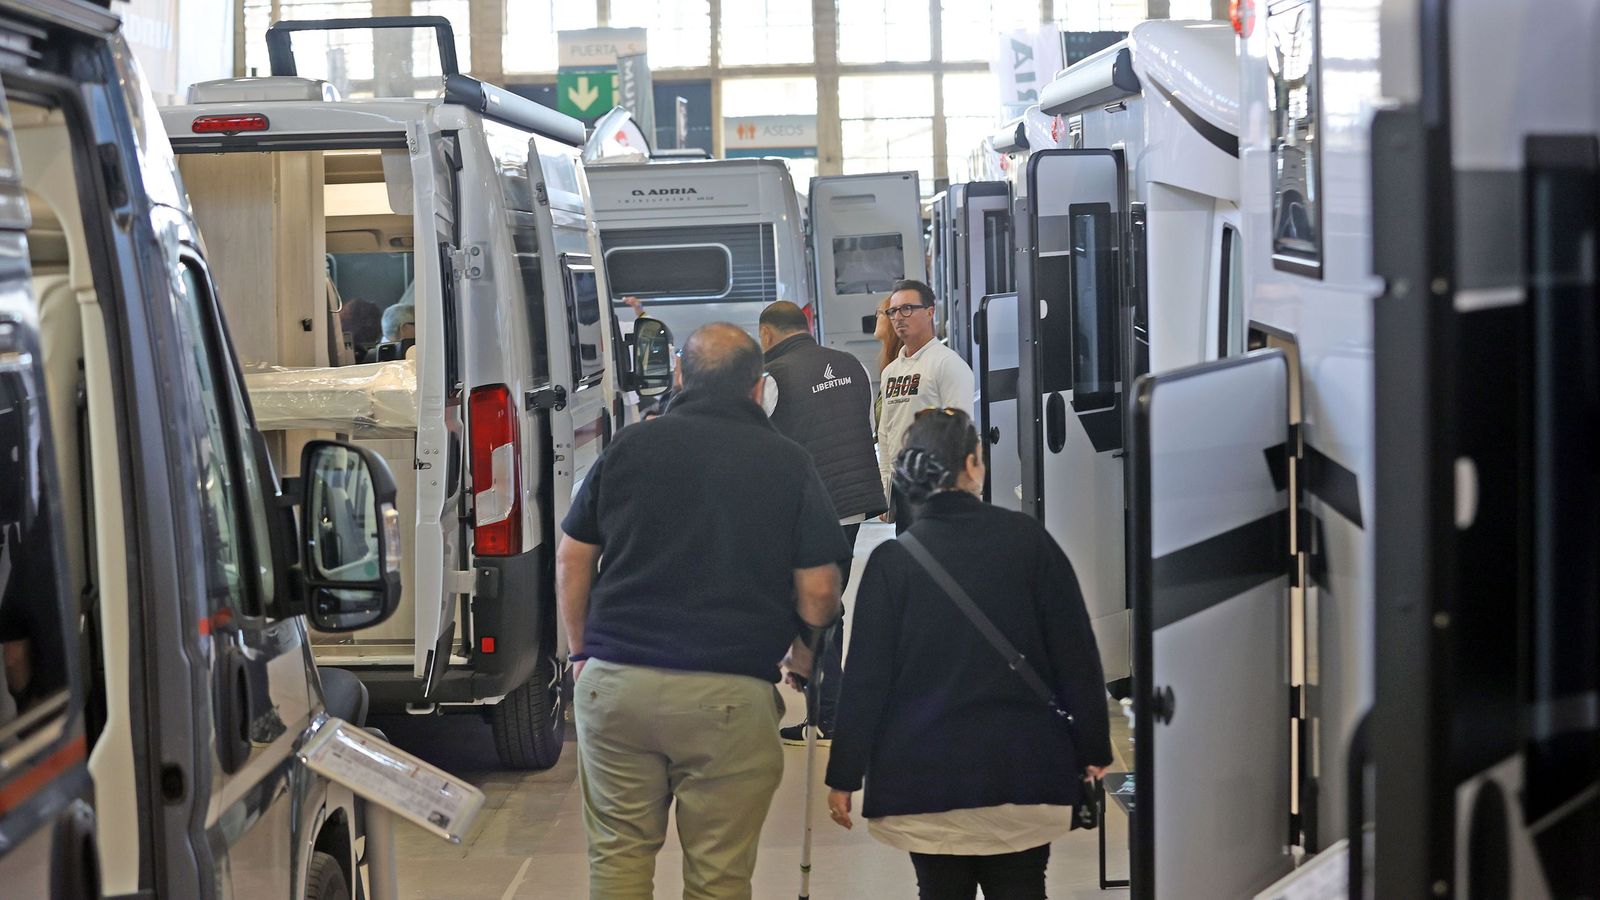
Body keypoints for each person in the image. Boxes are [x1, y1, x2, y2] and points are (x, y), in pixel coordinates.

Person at [556, 322, 847, 899]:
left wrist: (582, 652)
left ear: (681, 376)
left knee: (617, 860)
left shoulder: (632, 446)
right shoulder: (787, 462)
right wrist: (804, 658)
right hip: (727, 695)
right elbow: (819, 589)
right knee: (718, 877)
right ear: (759, 388)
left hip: (617, 686)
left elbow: (572, 559)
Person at [824, 408, 1113, 900]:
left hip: (924, 779)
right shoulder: (1030, 542)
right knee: (1024, 888)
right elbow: (1075, 655)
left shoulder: (894, 562)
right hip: (1023, 770)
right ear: (975, 464)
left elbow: (866, 679)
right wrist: (1093, 749)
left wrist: (844, 775)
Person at [757, 300, 885, 747]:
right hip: (849, 508)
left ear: (767, 334)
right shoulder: (851, 365)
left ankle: (831, 714)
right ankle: (827, 715)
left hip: (805, 512)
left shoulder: (774, 377)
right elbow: (865, 426)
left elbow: (757, 443)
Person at [876, 279, 973, 533]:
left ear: (930, 312)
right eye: (893, 311)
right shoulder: (890, 372)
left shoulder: (947, 364)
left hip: (936, 487)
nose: (898, 317)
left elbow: (961, 431)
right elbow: (886, 432)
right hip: (903, 485)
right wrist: (886, 487)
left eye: (907, 308)